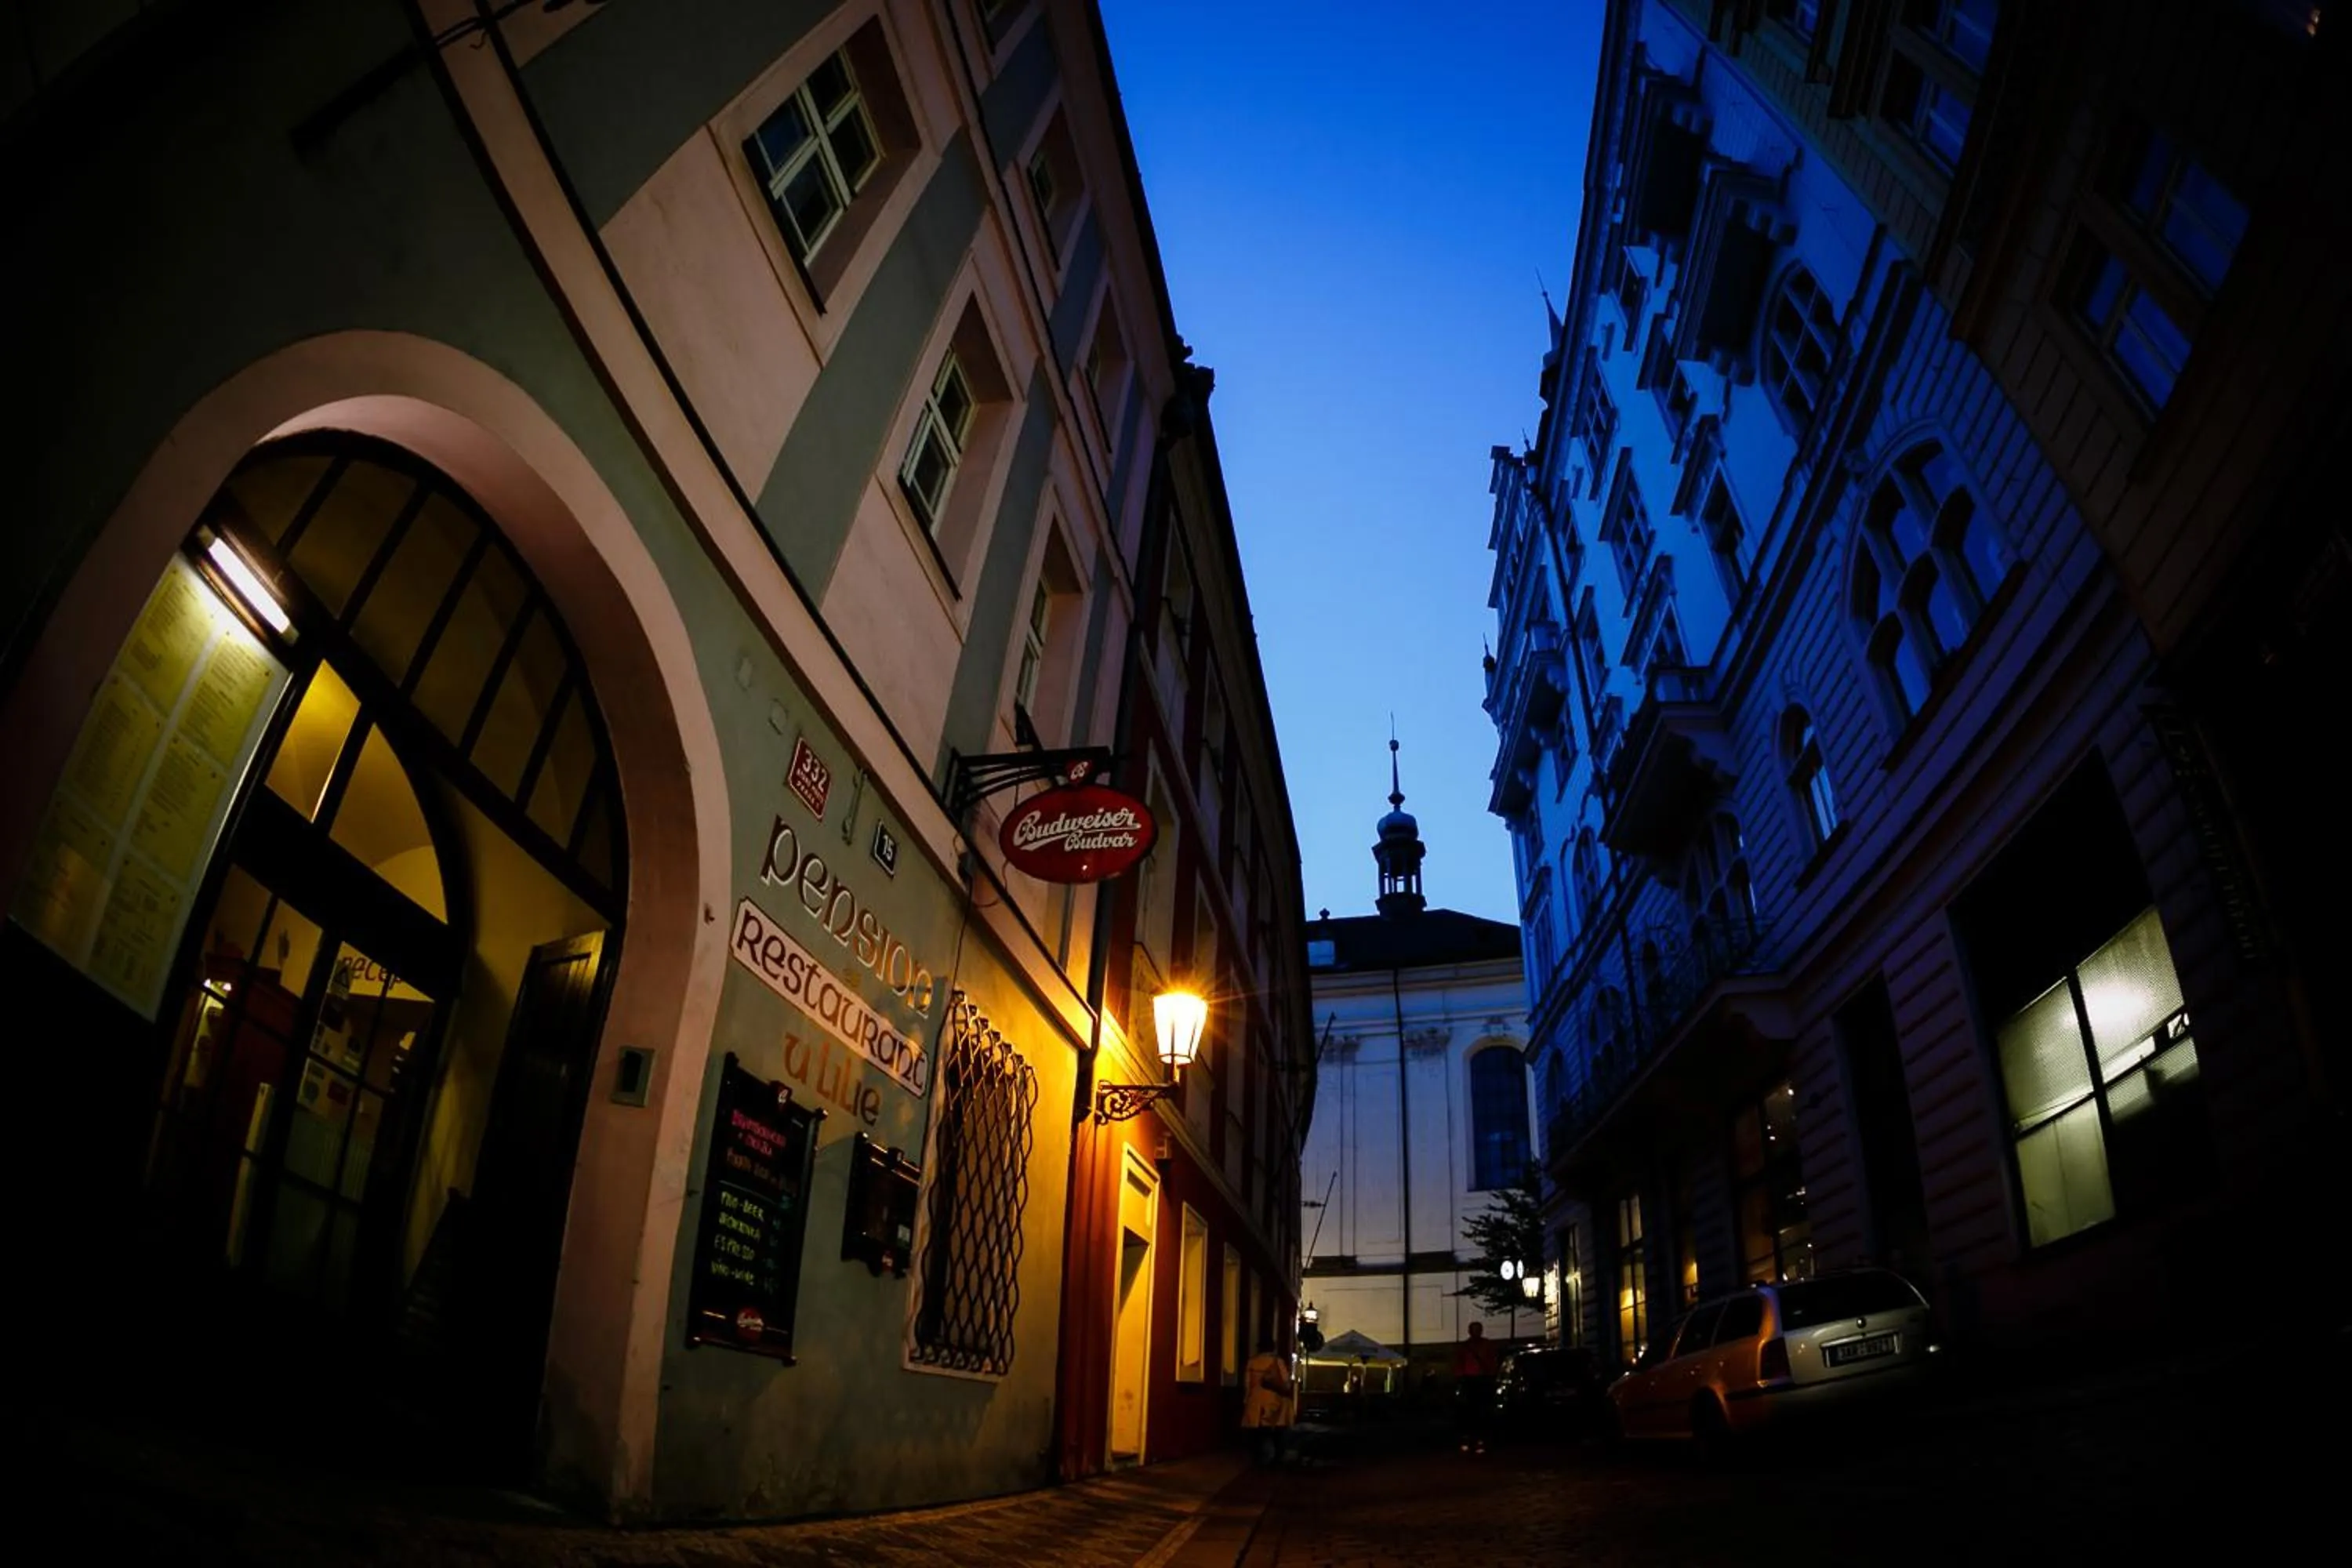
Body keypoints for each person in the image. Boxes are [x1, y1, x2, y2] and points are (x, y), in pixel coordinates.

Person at [1241, 1334, 1295, 1466]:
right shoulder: (1278, 1361)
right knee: (1276, 1430)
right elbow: (1286, 1383)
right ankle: (1276, 1457)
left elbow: (1247, 1383)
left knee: (1257, 1431)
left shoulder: (1252, 1362)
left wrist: (1246, 1398)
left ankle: (1259, 1457)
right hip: (1274, 1398)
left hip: (1255, 1399)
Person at [1452, 1321, 1501, 1454]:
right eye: (1474, 1330)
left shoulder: (1486, 1345)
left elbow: (1492, 1362)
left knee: (1481, 1411)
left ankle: (1479, 1439)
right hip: (1471, 1381)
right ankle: (1472, 1439)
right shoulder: (1466, 1347)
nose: (1476, 1332)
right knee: (1470, 1411)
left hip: (1481, 1380)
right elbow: (1459, 1364)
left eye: (1478, 1329)